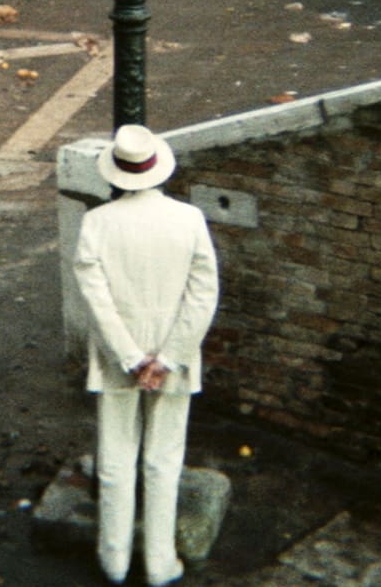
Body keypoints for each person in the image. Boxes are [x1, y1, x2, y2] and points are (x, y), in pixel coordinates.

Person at [72, 124, 220, 586]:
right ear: (158, 168)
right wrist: (168, 357)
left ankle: (114, 559)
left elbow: (95, 301)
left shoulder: (96, 223)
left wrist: (133, 358)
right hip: (174, 352)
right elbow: (203, 295)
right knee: (164, 457)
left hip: (119, 356)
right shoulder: (190, 219)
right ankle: (160, 563)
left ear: (117, 172)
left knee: (115, 458)